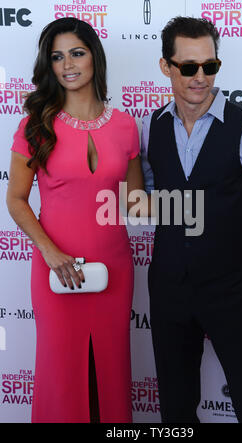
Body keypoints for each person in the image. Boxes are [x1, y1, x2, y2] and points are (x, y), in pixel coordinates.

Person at [140, 16, 242, 423]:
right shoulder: (149, 127)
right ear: (166, 67)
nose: (200, 77)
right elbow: (154, 197)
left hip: (231, 290)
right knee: (175, 406)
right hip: (168, 288)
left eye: (210, 65)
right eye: (188, 67)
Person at [6, 17, 144, 423]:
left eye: (77, 53)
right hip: (55, 272)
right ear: (49, 66)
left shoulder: (125, 126)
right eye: (57, 57)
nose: (68, 64)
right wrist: (51, 253)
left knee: (111, 372)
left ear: (94, 58)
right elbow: (16, 200)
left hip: (114, 270)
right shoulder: (36, 125)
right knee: (62, 373)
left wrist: (200, 201)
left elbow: (135, 203)